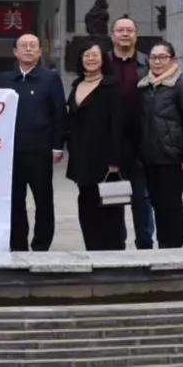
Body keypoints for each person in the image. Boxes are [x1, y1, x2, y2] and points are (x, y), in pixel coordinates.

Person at [0, 33, 65, 252]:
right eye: (23, 46)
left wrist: (57, 145)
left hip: (40, 151)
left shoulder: (50, 78)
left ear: (39, 51)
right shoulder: (4, 79)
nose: (28, 49)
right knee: (15, 202)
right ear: (15, 52)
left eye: (32, 45)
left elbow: (59, 114)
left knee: (43, 201)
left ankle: (41, 245)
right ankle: (18, 245)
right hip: (11, 152)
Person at [137, 40, 183, 249]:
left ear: (173, 59)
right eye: (153, 58)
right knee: (157, 203)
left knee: (171, 204)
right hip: (150, 156)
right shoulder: (144, 85)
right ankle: (163, 245)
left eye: (162, 57)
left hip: (173, 157)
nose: (157, 62)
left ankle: (173, 247)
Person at [65, 41, 125, 251]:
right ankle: (92, 248)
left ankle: (113, 252)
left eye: (95, 55)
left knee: (109, 206)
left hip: (104, 157)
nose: (90, 59)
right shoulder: (77, 85)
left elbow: (118, 123)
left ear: (103, 59)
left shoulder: (111, 85)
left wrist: (115, 160)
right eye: (86, 55)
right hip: (82, 156)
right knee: (86, 204)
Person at [108, 15, 155, 250]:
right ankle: (116, 244)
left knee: (142, 197)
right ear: (112, 35)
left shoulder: (149, 63)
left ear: (136, 35)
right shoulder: (102, 62)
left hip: (142, 140)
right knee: (113, 196)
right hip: (111, 141)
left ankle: (145, 244)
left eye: (130, 30)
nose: (125, 34)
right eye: (120, 30)